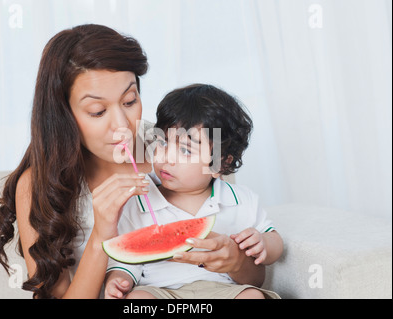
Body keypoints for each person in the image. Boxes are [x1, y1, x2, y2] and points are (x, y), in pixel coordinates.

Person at [0, 25, 266, 299]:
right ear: (63, 115)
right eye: (97, 112)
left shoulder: (177, 144)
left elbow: (248, 268)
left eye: (130, 100)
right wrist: (101, 234)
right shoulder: (37, 185)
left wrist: (237, 262)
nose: (122, 125)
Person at [104, 84, 283, 299]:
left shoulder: (241, 199)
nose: (166, 157)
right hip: (160, 291)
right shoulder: (139, 198)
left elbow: (274, 239)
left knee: (252, 296)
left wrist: (264, 244)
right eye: (162, 142)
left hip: (223, 290)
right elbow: (125, 261)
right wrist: (118, 280)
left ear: (219, 164)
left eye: (185, 150)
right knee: (138, 299)